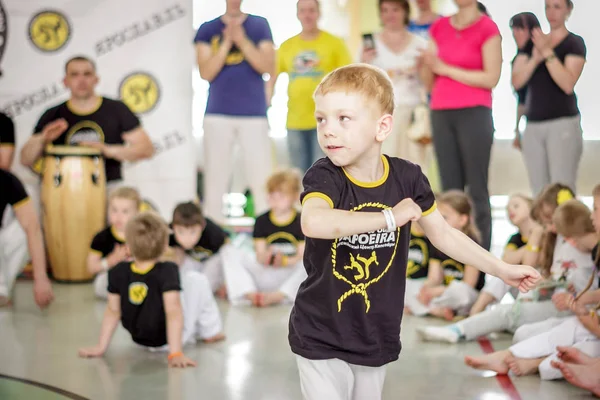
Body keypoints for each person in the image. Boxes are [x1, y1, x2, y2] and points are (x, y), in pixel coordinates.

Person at [288, 63, 540, 400]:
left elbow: (445, 235)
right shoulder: (325, 176)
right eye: (322, 119)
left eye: (343, 118)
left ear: (382, 127)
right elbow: (314, 222)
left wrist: (502, 269)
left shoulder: (407, 179)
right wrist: (390, 218)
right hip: (319, 328)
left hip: (374, 331)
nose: (328, 130)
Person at [78, 212, 224, 367]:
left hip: (139, 340)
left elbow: (113, 311)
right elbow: (173, 311)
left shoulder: (117, 271)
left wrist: (101, 347)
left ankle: (200, 331)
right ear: (164, 246)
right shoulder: (168, 270)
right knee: (196, 280)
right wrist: (175, 353)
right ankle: (211, 331)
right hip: (168, 341)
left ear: (128, 246)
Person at [419, 0, 502, 251]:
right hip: (441, 111)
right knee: (449, 189)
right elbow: (429, 80)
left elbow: (491, 77)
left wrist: (446, 69)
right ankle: (450, 254)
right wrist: (426, 67)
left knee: (476, 187)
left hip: (475, 112)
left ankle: (481, 257)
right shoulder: (439, 26)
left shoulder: (487, 27)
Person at [19, 56, 154, 191]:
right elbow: (25, 160)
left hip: (107, 187)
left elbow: (147, 149)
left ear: (96, 79)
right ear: (65, 81)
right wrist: (42, 138)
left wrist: (107, 150)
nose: (81, 80)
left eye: (87, 74)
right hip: (64, 189)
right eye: (75, 75)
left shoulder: (116, 109)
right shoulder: (53, 114)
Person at [195, 0, 275, 224]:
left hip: (254, 112)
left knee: (261, 176)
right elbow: (206, 72)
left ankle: (266, 228)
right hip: (217, 112)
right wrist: (226, 42)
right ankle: (213, 229)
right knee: (215, 177)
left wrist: (242, 40)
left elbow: (267, 66)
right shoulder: (207, 29)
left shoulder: (259, 25)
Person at [267, 0, 352, 173]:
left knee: (322, 171)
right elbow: (272, 77)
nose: (307, 15)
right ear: (298, 14)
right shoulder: (287, 46)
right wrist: (266, 102)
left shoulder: (334, 43)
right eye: (303, 11)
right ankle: (301, 201)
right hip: (294, 120)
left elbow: (348, 78)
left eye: (311, 10)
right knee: (298, 174)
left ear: (319, 13)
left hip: (326, 120)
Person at [512, 0, 586, 195]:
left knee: (562, 187)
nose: (551, 12)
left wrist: (547, 53)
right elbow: (517, 82)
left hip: (562, 122)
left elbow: (567, 84)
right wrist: (536, 57)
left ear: (568, 10)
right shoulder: (533, 45)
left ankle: (565, 225)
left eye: (557, 7)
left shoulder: (574, 43)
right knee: (539, 190)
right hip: (533, 125)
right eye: (547, 7)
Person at [359, 0, 431, 170]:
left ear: (405, 12)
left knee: (415, 167)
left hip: (413, 116)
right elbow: (358, 86)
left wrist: (423, 68)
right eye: (385, 10)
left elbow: (429, 84)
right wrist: (364, 63)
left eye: (395, 10)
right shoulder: (369, 44)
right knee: (383, 166)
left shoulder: (421, 44)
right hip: (380, 114)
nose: (390, 15)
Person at [224, 169, 307, 306]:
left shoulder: (302, 220)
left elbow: (302, 256)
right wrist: (266, 257)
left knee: (313, 261)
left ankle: (279, 296)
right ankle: (249, 294)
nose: (275, 198)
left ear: (294, 196)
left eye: (281, 195)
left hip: (289, 275)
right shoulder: (262, 220)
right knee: (228, 251)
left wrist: (284, 261)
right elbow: (259, 254)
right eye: (271, 193)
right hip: (265, 273)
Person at [0, 169, 54, 308]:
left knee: (25, 231)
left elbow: (33, 229)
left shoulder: (7, 180)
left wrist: (40, 279)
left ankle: (2, 291)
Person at [168, 202, 232, 296]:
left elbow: (228, 255)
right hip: (193, 261)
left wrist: (227, 282)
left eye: (192, 232)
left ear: (202, 227)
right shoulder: (170, 235)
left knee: (205, 285)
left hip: (213, 261)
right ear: (173, 228)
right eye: (181, 232)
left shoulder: (213, 234)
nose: (187, 238)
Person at [88, 187, 141, 299]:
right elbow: (91, 267)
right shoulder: (102, 237)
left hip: (137, 275)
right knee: (100, 283)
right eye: (114, 210)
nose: (118, 216)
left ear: (137, 213)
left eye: (125, 211)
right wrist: (111, 260)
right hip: (112, 278)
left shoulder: (142, 235)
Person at [508, 12, 541, 149]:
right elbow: (521, 97)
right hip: (531, 122)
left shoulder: (542, 55)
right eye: (514, 30)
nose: (516, 34)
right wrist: (517, 130)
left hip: (549, 119)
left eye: (520, 29)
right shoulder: (519, 58)